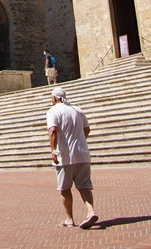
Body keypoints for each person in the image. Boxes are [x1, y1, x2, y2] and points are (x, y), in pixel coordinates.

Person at [46, 87, 97, 229]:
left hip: (65, 156)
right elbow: (87, 129)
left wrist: (53, 151)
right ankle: (90, 211)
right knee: (84, 186)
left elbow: (53, 131)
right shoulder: (78, 110)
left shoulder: (53, 111)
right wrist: (80, 141)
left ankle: (69, 219)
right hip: (83, 154)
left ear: (54, 98)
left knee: (64, 188)